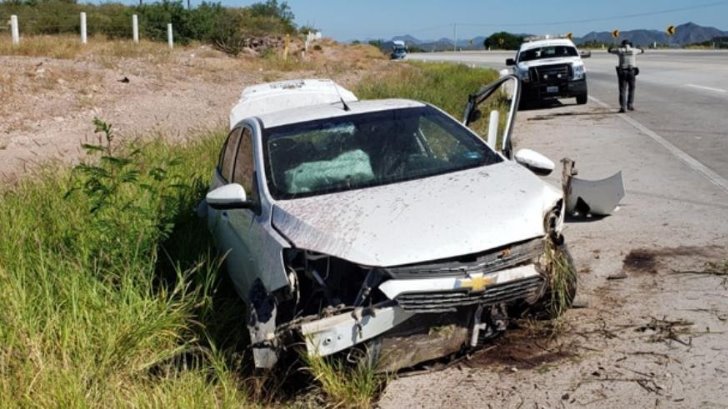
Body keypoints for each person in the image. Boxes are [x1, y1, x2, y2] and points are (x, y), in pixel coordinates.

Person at [608, 40, 645, 113]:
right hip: (632, 72)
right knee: (631, 89)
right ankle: (630, 105)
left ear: (623, 45)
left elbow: (609, 50)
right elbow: (642, 51)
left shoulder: (620, 50)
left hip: (622, 72)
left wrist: (616, 47)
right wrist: (638, 47)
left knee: (622, 90)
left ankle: (623, 107)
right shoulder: (634, 50)